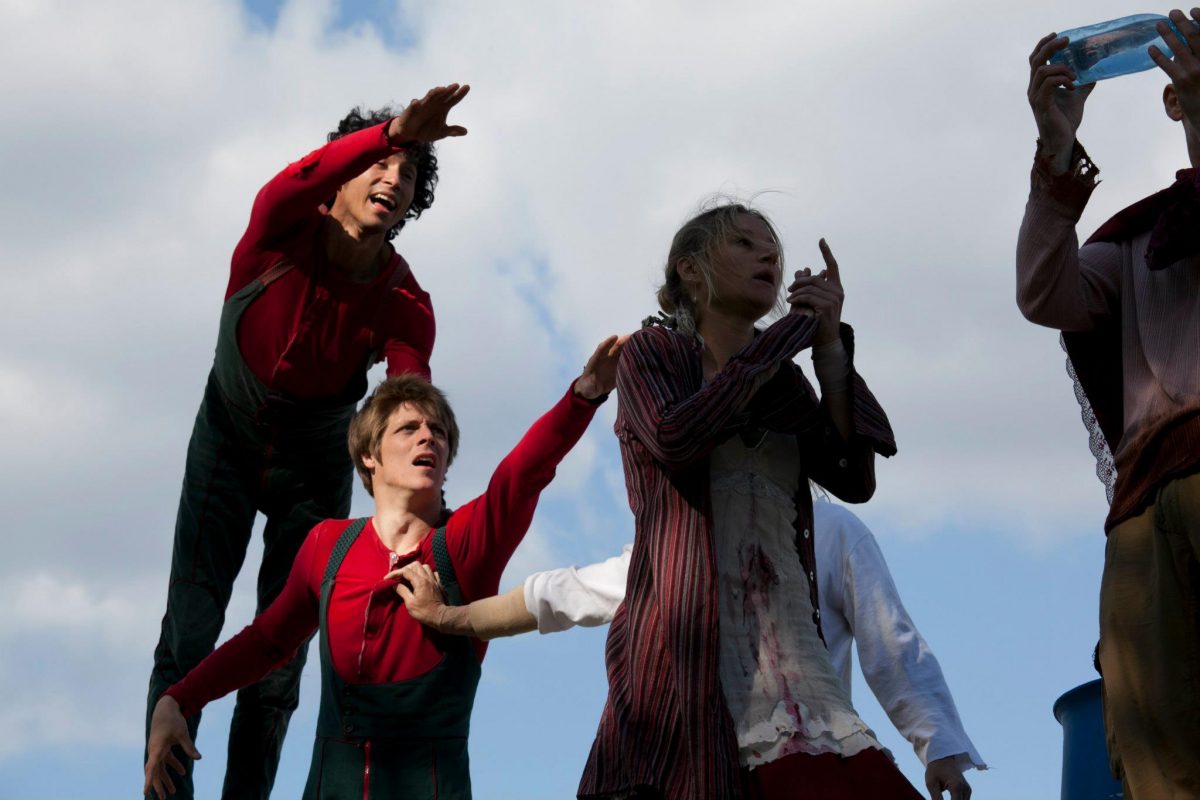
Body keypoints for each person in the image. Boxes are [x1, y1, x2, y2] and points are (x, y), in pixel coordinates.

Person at [145, 84, 470, 799]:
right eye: (380, 164)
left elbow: (406, 404)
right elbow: (296, 180)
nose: (393, 179)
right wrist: (392, 131)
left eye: (408, 174)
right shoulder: (279, 226)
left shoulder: (406, 302)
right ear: (343, 173)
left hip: (314, 468)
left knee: (280, 658)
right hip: (225, 445)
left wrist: (423, 515)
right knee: (190, 630)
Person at [143, 335, 626, 800]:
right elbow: (267, 642)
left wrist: (584, 394)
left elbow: (521, 478)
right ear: (369, 455)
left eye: (439, 432)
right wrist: (179, 699)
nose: (428, 437)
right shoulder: (327, 545)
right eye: (409, 429)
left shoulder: (464, 545)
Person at [538, 201, 898, 798]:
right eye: (744, 243)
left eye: (772, 247)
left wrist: (829, 347)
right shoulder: (655, 354)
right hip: (683, 674)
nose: (769, 255)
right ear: (690, 269)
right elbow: (677, 438)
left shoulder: (784, 380)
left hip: (794, 667)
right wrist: (787, 335)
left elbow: (852, 476)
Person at [399, 500, 985, 800]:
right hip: (703, 773)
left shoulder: (832, 530)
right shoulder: (675, 539)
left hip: (810, 771)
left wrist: (939, 747)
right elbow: (561, 593)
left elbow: (891, 642)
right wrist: (450, 617)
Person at [1020, 13, 1200, 798]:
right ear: (1170, 99)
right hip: (1144, 508)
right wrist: (1056, 148)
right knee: (1158, 759)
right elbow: (1045, 294)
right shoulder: (1141, 235)